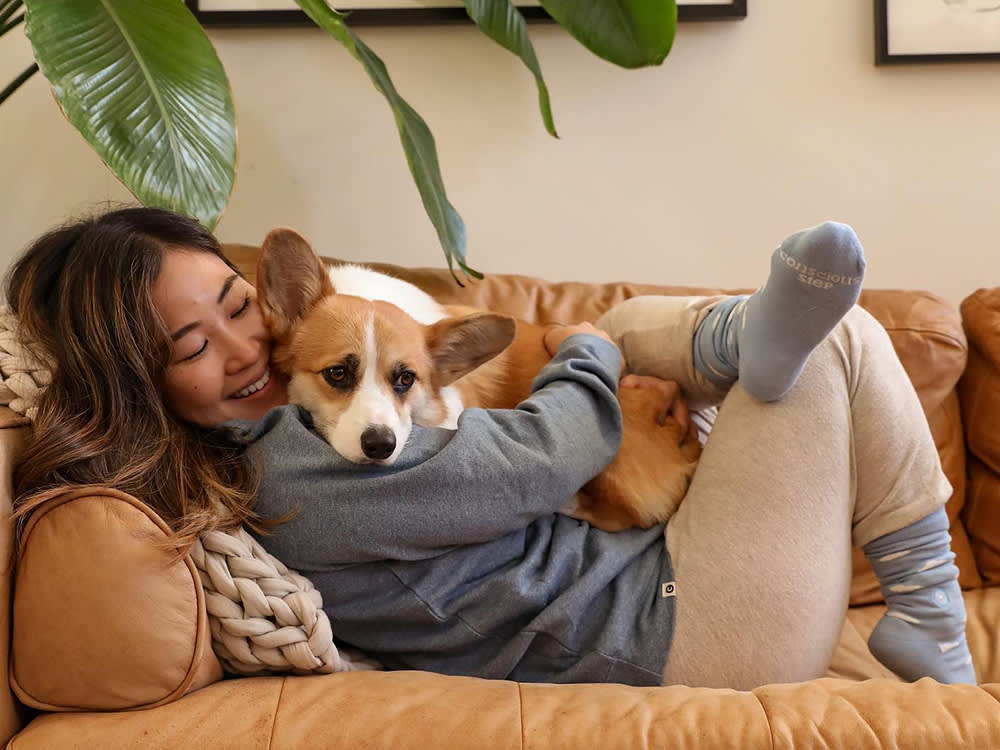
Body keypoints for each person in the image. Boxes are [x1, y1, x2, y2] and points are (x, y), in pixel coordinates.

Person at [4, 206, 975, 691]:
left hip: (668, 581)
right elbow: (547, 455)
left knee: (709, 331)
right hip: (691, 628)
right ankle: (928, 605)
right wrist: (592, 352)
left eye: (233, 304)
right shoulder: (310, 471)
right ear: (138, 380)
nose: (245, 344)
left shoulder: (295, 426)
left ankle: (732, 344)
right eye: (190, 346)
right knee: (837, 337)